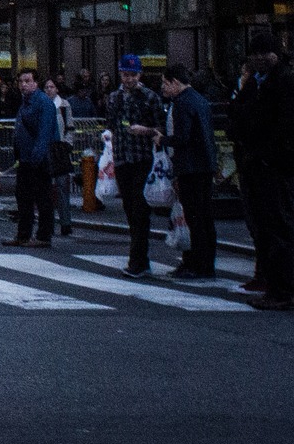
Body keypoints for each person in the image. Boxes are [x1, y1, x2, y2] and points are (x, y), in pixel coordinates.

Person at [228, 31, 294, 310]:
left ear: (273, 55)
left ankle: (283, 289)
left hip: (272, 166)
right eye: (252, 55)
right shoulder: (257, 83)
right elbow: (237, 114)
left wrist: (269, 158)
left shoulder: (282, 82)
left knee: (277, 226)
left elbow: (283, 127)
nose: (255, 60)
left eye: (261, 54)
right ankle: (274, 285)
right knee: (264, 227)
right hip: (257, 163)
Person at [104, 54, 166, 278]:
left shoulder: (150, 97)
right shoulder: (114, 98)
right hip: (122, 158)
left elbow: (161, 126)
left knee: (140, 210)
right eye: (124, 74)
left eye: (132, 75)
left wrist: (146, 130)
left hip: (143, 159)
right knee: (130, 210)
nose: (128, 79)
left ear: (139, 75)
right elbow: (110, 123)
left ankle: (138, 260)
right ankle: (139, 258)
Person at [159, 64, 218, 281]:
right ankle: (204, 262)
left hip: (190, 167)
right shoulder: (200, 100)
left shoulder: (182, 104)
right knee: (204, 217)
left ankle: (198, 264)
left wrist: (162, 139)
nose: (163, 87)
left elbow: (182, 138)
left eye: (166, 83)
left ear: (175, 82)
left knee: (195, 218)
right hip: (204, 165)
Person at [7, 69, 57, 248]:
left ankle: (43, 235)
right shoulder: (25, 102)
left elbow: (44, 133)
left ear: (36, 83)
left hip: (38, 159)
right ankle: (24, 234)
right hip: (26, 158)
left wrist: (37, 157)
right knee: (23, 197)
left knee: (42, 198)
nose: (23, 84)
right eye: (21, 81)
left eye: (27, 80)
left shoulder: (43, 103)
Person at [44, 78, 75, 236]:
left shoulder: (64, 105)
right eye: (47, 87)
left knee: (62, 187)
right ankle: (48, 223)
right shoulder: (42, 105)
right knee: (47, 189)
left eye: (52, 86)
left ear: (57, 89)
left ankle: (65, 223)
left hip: (60, 149)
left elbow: (70, 126)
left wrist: (67, 145)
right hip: (46, 149)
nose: (49, 89)